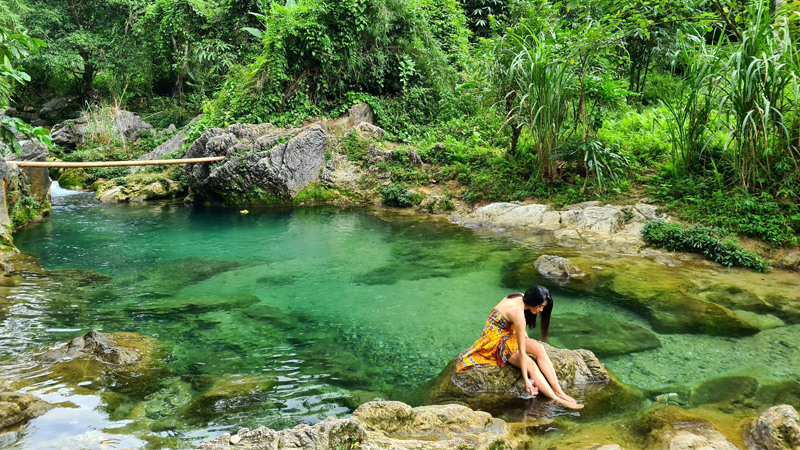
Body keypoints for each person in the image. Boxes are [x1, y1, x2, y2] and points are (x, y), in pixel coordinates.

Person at [456, 285, 584, 409]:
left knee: (540, 349)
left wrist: (528, 342)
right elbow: (522, 353)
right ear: (533, 301)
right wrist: (526, 380)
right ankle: (556, 399)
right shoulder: (518, 314)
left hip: (508, 334)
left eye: (543, 306)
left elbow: (520, 331)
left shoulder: (520, 297)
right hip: (495, 342)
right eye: (540, 306)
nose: (541, 310)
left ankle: (559, 391)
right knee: (532, 365)